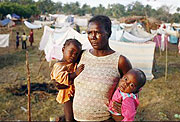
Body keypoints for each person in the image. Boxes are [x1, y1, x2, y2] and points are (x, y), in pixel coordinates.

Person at [73, 15, 132, 121]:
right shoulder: (81, 55)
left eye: (98, 32)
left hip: (104, 119)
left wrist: (125, 105)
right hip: (77, 118)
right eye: (90, 33)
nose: (93, 37)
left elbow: (133, 89)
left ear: (108, 33)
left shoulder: (120, 61)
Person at [50, 38, 84, 121]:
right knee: (69, 116)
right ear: (63, 50)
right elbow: (60, 78)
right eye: (71, 51)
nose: (73, 55)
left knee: (75, 112)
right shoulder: (59, 65)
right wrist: (75, 74)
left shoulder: (71, 63)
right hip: (67, 95)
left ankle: (61, 119)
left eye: (76, 54)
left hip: (74, 92)